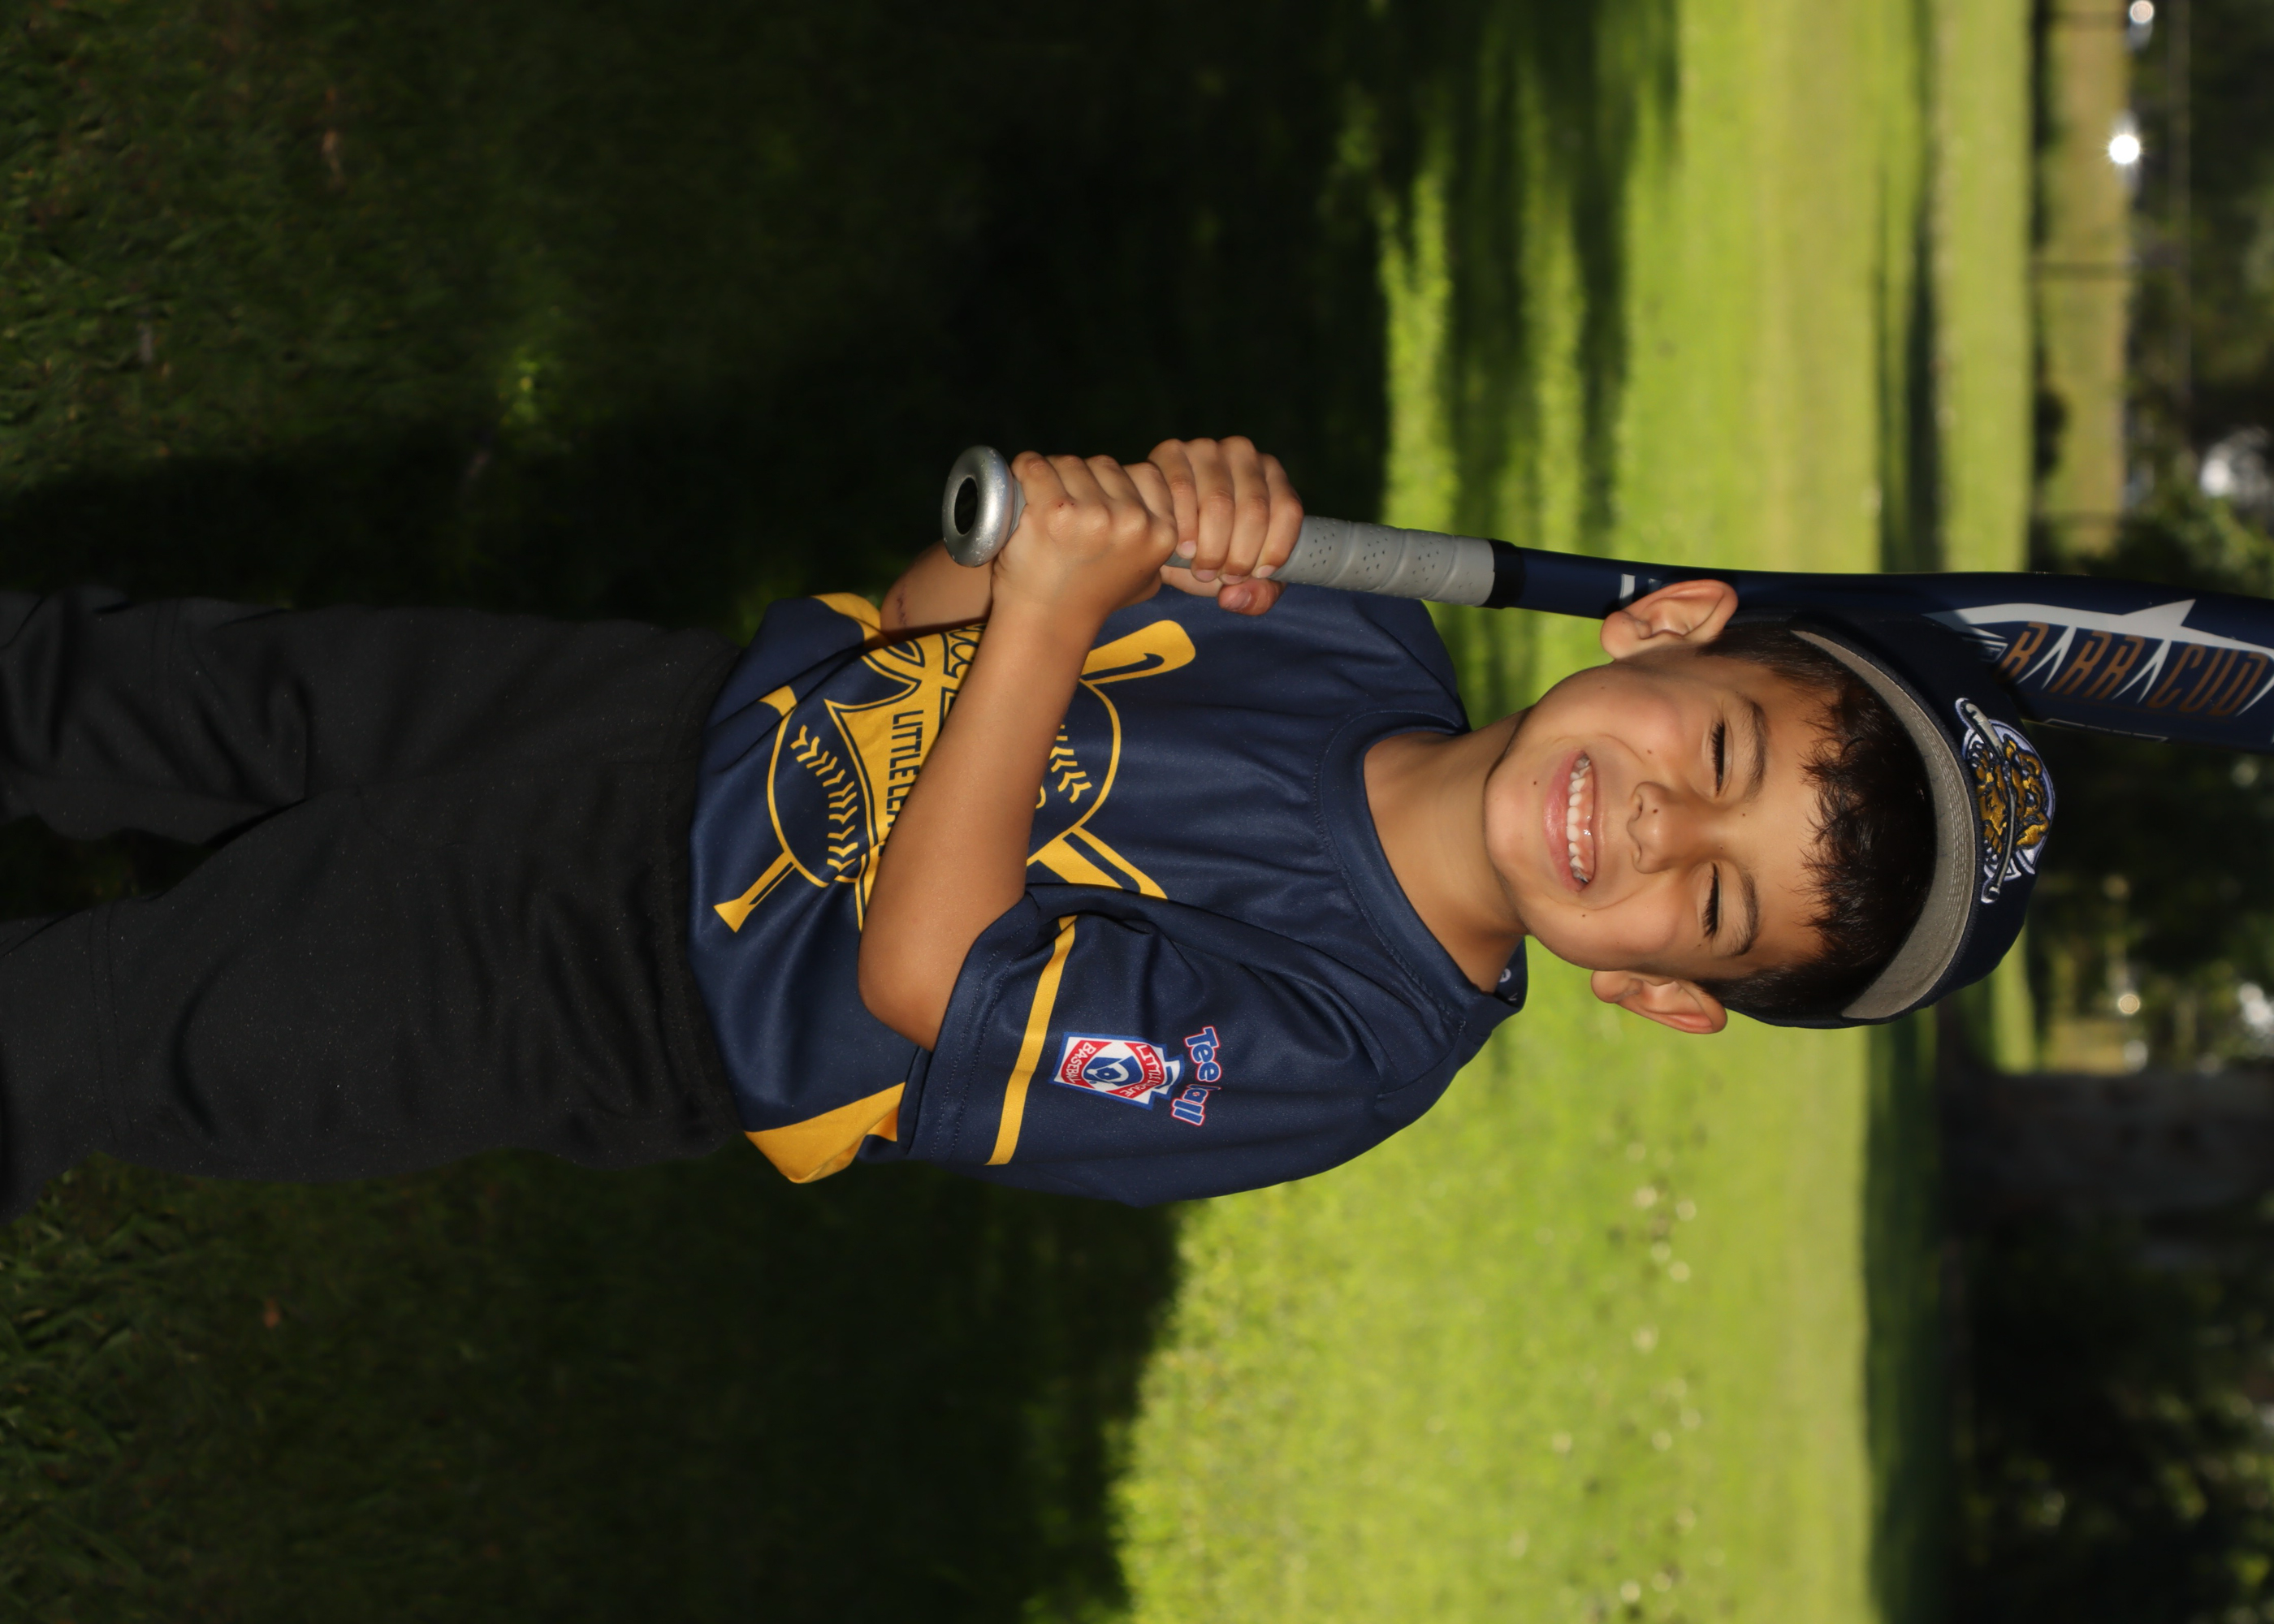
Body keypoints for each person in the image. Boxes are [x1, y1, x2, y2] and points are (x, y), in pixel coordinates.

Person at [0, 438, 2047, 1217]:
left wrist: (1061, 611)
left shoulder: (1345, 1048)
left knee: (86, 1030)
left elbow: (930, 973)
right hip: (658, 722)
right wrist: (1109, 523)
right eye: (1717, 746)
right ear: (1666, 626)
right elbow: (921, 621)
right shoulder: (1344, 620)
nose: (1654, 824)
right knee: (133, 692)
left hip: (622, 995)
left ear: (1658, 995)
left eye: (1709, 904)